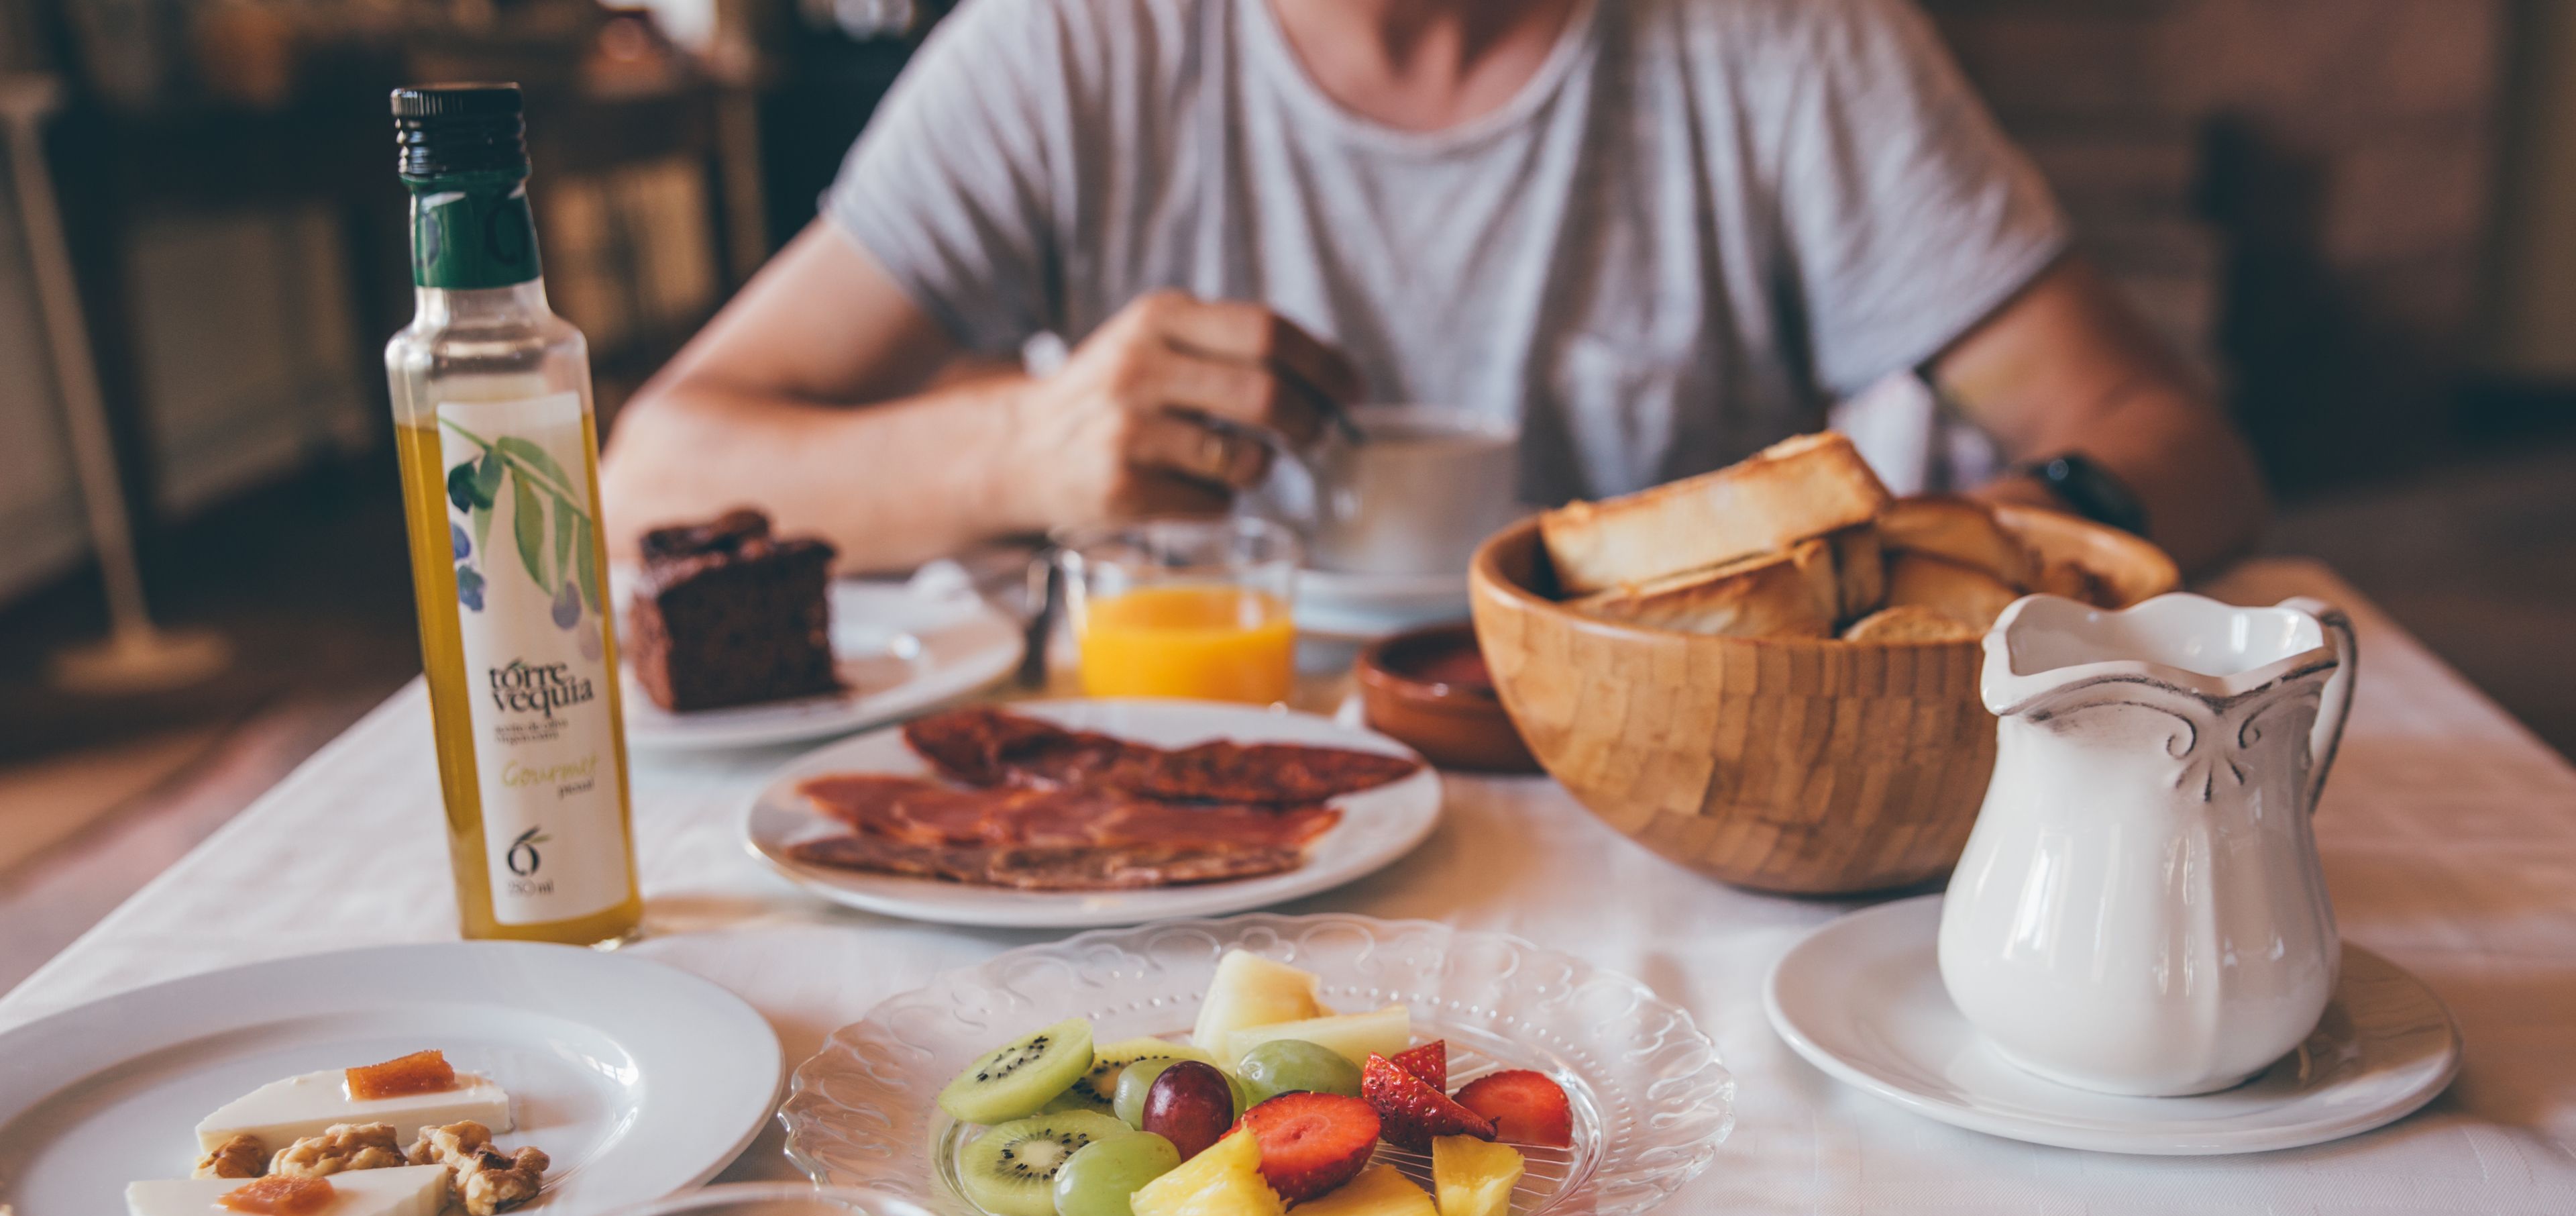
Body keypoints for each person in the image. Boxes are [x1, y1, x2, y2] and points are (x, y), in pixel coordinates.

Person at [601, 0, 2266, 574]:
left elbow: (2170, 439)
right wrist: (1016, 451)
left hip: (1664, 836)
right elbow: (652, 475)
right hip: (1182, 830)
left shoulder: (1783, 40)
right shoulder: (1071, 45)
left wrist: (1949, 552)